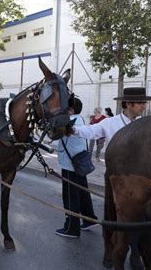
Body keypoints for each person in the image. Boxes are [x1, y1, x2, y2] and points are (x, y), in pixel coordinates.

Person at [68, 87, 151, 269]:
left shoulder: (145, 125)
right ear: (128, 104)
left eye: (144, 102)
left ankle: (135, 253)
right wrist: (72, 129)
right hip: (116, 179)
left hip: (141, 180)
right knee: (113, 215)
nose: (144, 106)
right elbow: (90, 131)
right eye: (141, 103)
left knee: (142, 217)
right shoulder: (110, 123)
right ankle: (110, 248)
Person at [55, 98, 98, 238]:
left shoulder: (69, 122)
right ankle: (89, 219)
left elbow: (54, 135)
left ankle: (71, 228)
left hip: (70, 165)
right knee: (83, 193)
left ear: (71, 110)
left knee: (70, 196)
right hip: (80, 163)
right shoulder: (80, 119)